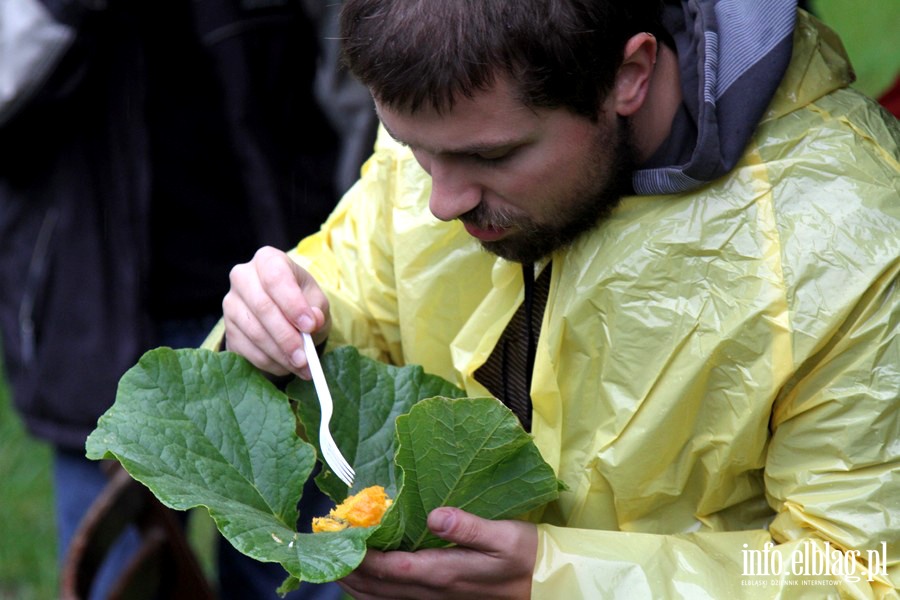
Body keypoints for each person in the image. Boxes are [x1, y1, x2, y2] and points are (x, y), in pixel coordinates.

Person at [222, 0, 899, 597]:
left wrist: (558, 576)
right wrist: (284, 320)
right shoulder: (461, 120)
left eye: (492, 158)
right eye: (413, 148)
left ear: (629, 74)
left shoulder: (853, 243)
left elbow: (864, 568)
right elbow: (355, 293)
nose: (441, 201)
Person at [0, 0, 374, 598]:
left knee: (294, 570)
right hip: (91, 318)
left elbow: (365, 88)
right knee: (118, 569)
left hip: (276, 303)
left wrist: (357, 258)